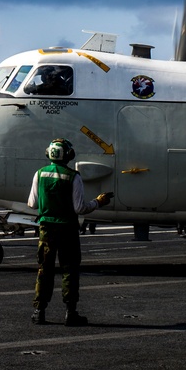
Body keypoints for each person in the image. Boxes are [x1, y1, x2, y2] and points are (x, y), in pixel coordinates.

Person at [28, 138, 111, 327]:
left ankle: (39, 311)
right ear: (68, 155)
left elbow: (32, 204)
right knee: (70, 271)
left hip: (46, 229)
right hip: (68, 230)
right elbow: (80, 208)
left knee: (44, 270)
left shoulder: (39, 174)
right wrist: (99, 201)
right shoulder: (74, 176)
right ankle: (70, 313)